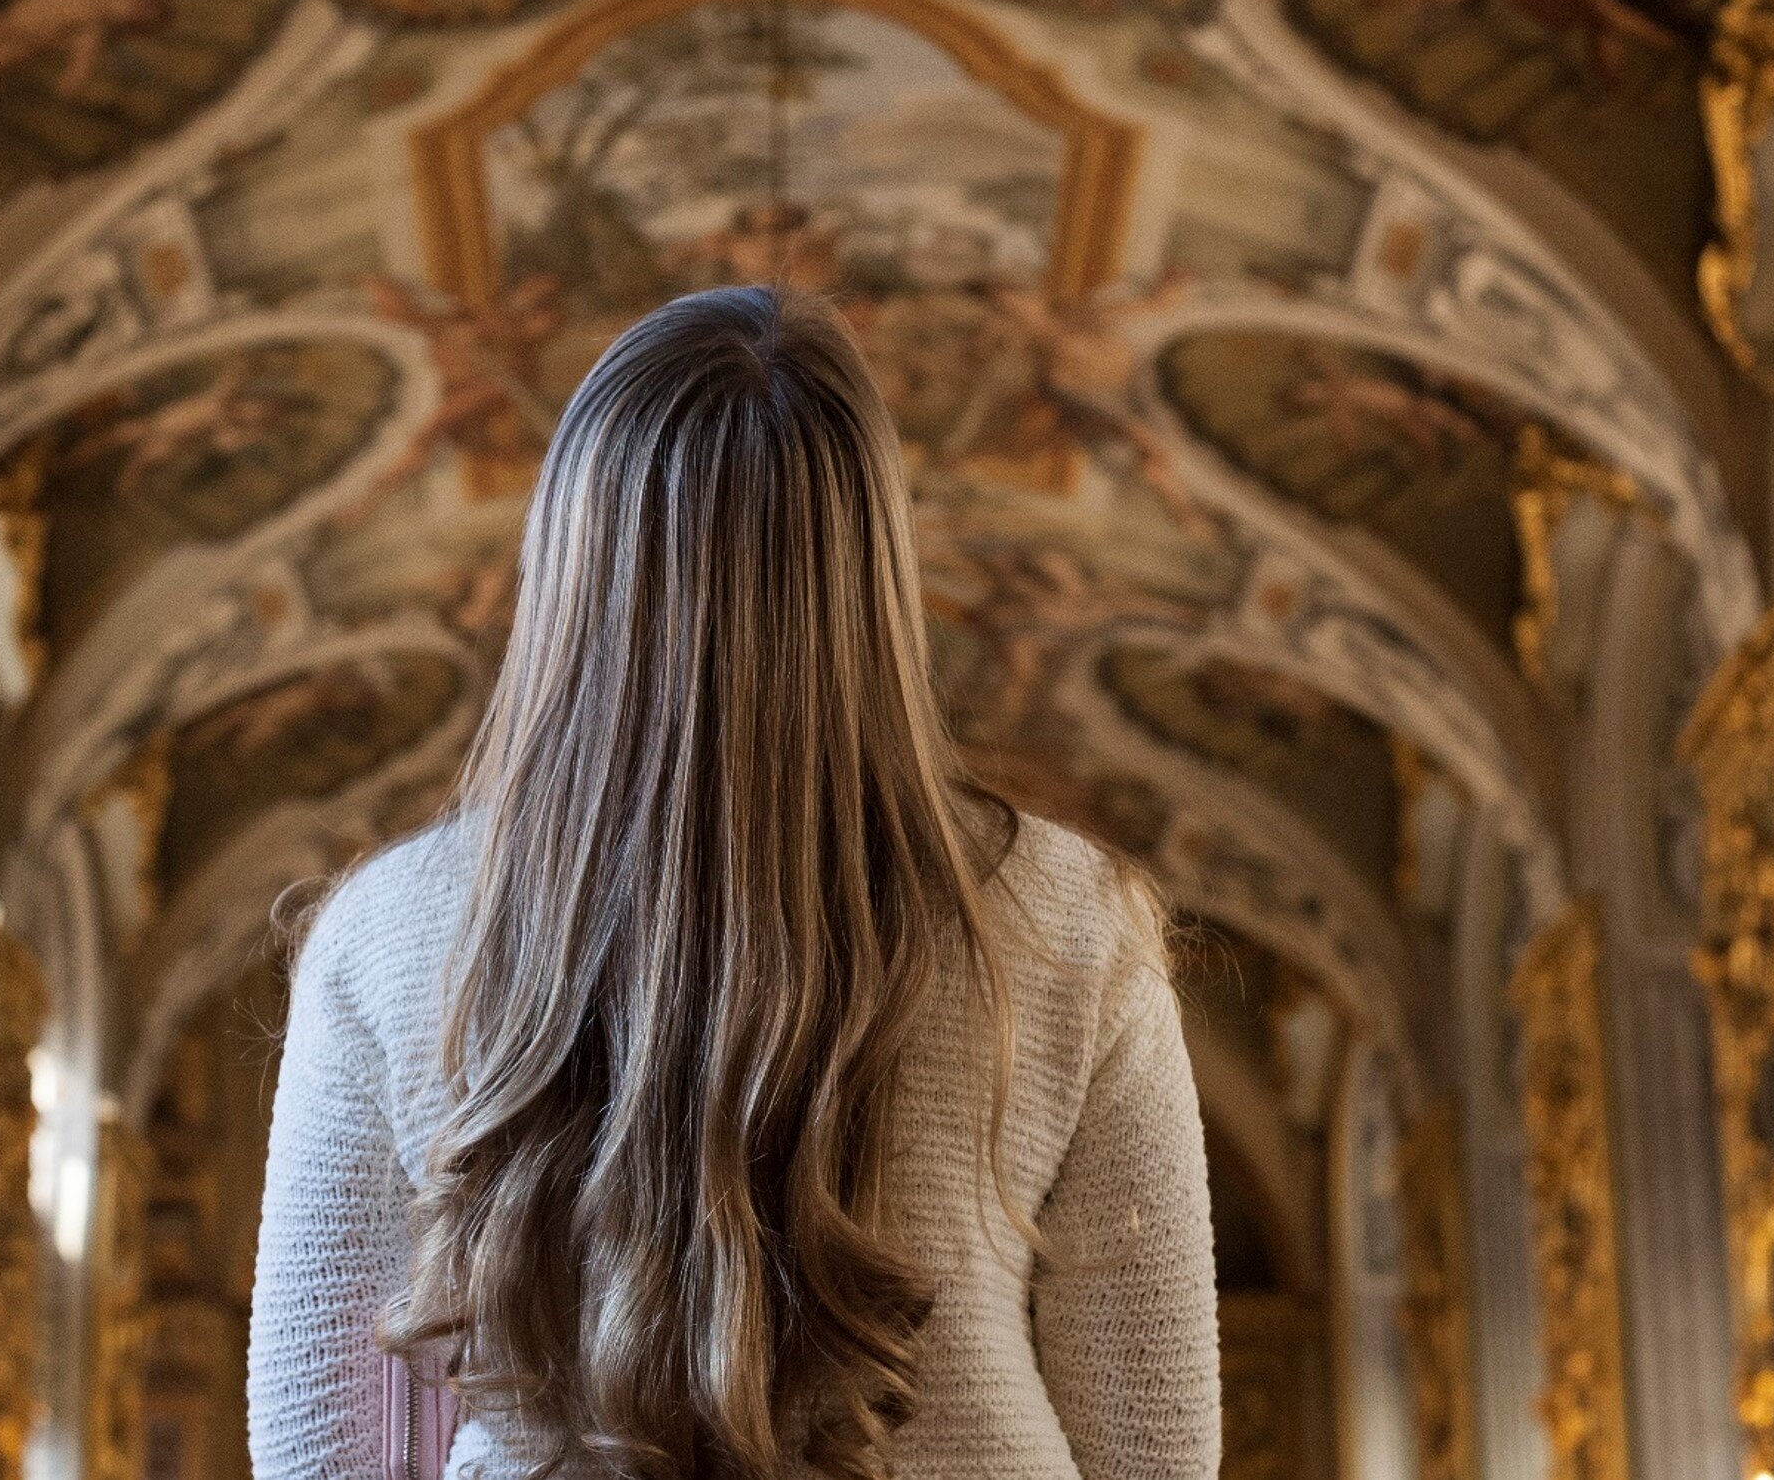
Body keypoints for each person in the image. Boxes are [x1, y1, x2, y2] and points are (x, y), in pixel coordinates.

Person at [247, 286, 1220, 1479]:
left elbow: (322, 1439)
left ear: (569, 561)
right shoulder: (1069, 920)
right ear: (870, 566)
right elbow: (1151, 1442)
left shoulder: (390, 932)